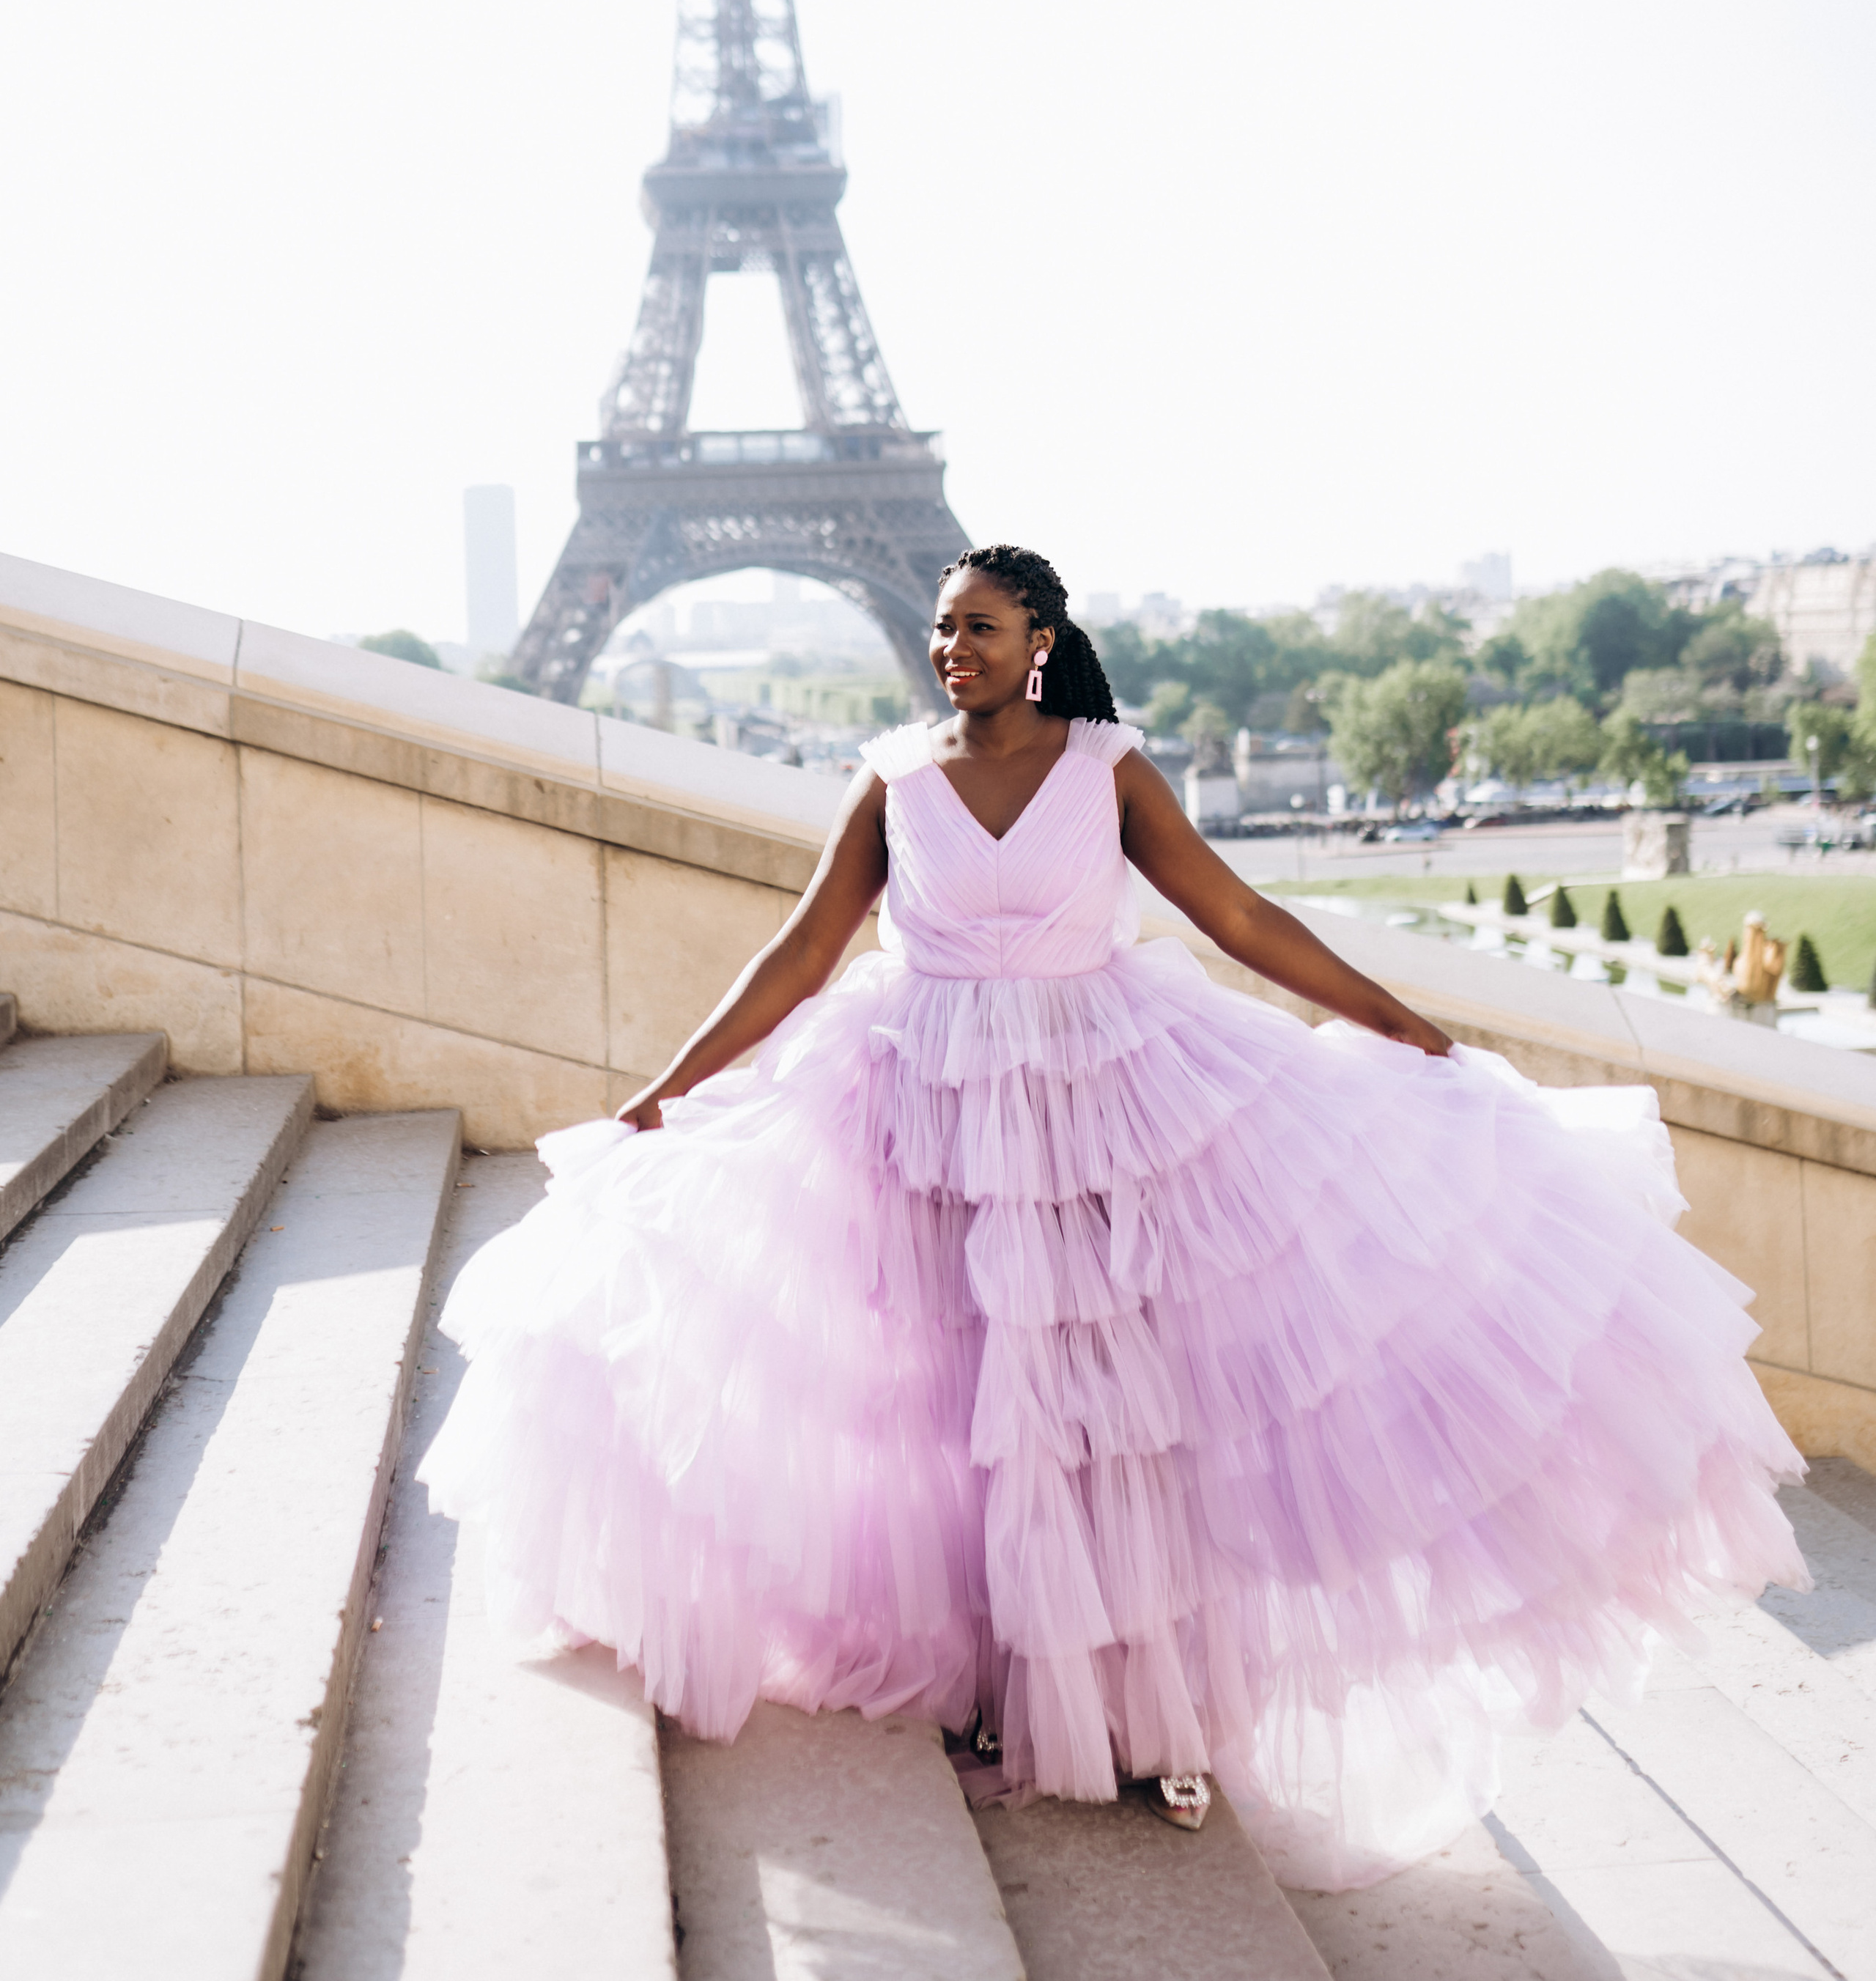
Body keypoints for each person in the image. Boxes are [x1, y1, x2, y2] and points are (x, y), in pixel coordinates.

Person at [420, 545, 1805, 1885]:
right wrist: (667, 1090)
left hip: (1105, 1109)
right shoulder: (892, 780)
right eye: (943, 627)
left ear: (1040, 641)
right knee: (964, 1417)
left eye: (979, 626)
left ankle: (1160, 1718)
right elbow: (802, 951)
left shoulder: (1108, 768)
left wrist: (1402, 1025)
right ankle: (997, 1685)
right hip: (926, 1120)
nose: (952, 647)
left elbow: (1237, 918)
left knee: (1118, 1421)